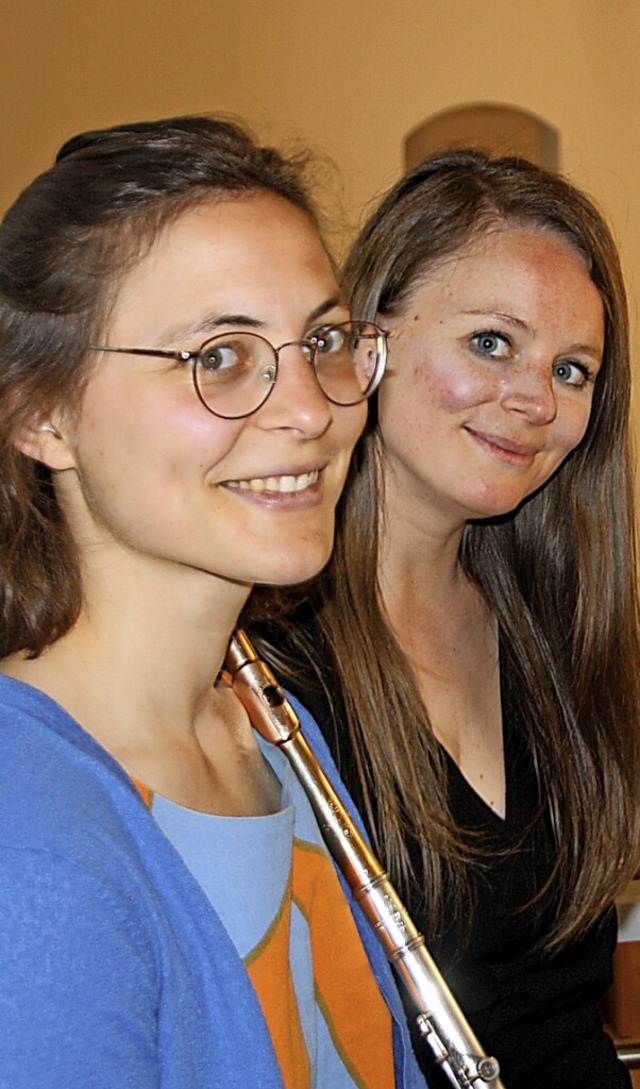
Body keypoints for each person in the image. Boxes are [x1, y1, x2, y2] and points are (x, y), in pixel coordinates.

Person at [0, 115, 428, 1089]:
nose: (313, 407)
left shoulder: (271, 727)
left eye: (322, 339)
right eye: (219, 355)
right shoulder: (30, 852)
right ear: (41, 412)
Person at [249, 149, 640, 1088]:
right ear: (364, 339)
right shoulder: (259, 658)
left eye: (574, 369)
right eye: (492, 342)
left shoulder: (557, 631)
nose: (538, 401)